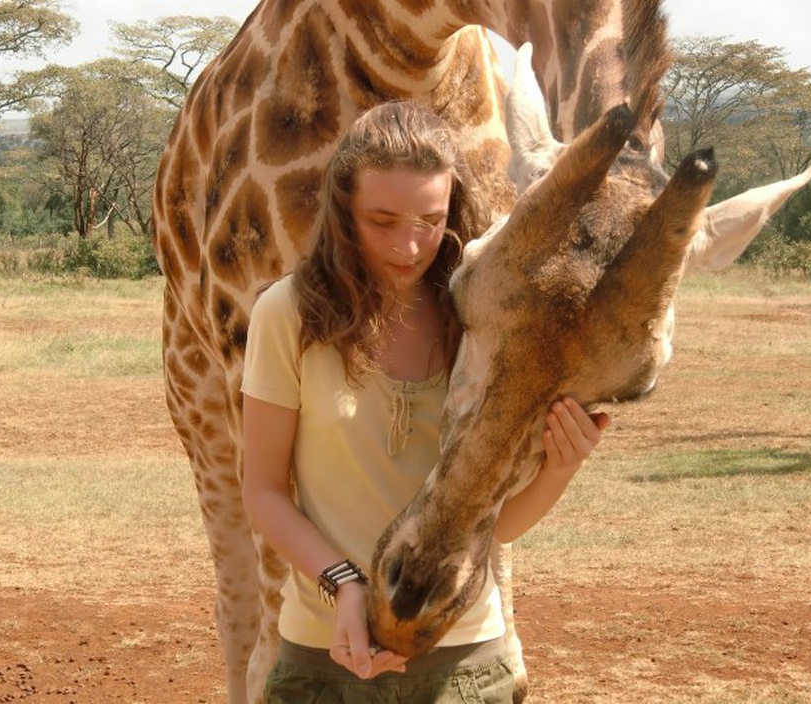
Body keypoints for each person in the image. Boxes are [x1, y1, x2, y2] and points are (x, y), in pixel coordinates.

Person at [241, 100, 609, 702]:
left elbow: (496, 525)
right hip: (323, 657)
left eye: (430, 221)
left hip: (467, 659)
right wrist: (346, 587)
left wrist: (561, 468)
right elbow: (263, 492)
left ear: (453, 211)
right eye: (382, 220)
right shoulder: (287, 315)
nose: (409, 247)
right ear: (342, 211)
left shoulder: (484, 321)